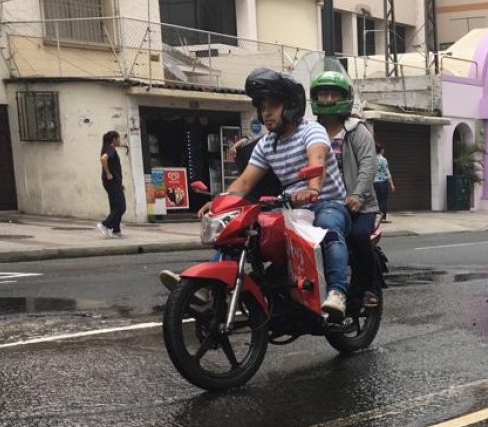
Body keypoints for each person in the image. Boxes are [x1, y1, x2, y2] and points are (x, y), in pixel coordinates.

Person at [160, 68, 350, 320]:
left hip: (326, 202)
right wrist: (220, 203)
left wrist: (313, 188)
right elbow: (245, 181)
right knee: (240, 228)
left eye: (273, 106)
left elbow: (317, 160)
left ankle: (337, 292)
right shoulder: (266, 144)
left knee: (329, 227)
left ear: (291, 106)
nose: (266, 113)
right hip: (291, 209)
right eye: (262, 107)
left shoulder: (311, 131)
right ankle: (210, 285)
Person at [309, 70, 381, 309]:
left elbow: (368, 165)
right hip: (322, 203)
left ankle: (369, 287)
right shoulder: (309, 132)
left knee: (358, 237)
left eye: (334, 94)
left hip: (359, 205)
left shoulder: (357, 130)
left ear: (345, 97)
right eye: (323, 94)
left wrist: (358, 194)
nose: (328, 99)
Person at [96, 130, 126, 238]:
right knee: (121, 206)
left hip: (113, 182)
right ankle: (105, 224)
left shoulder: (108, 148)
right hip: (111, 181)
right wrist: (108, 173)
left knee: (115, 206)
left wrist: (119, 183)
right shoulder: (110, 148)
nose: (119, 141)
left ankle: (115, 230)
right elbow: (103, 159)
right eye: (118, 138)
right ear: (114, 139)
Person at [374, 142, 395, 222]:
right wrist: (391, 184)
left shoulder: (371, 159)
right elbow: (387, 172)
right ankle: (382, 218)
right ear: (381, 150)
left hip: (373, 183)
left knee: (375, 200)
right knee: (382, 200)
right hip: (382, 182)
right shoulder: (383, 160)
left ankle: (375, 217)